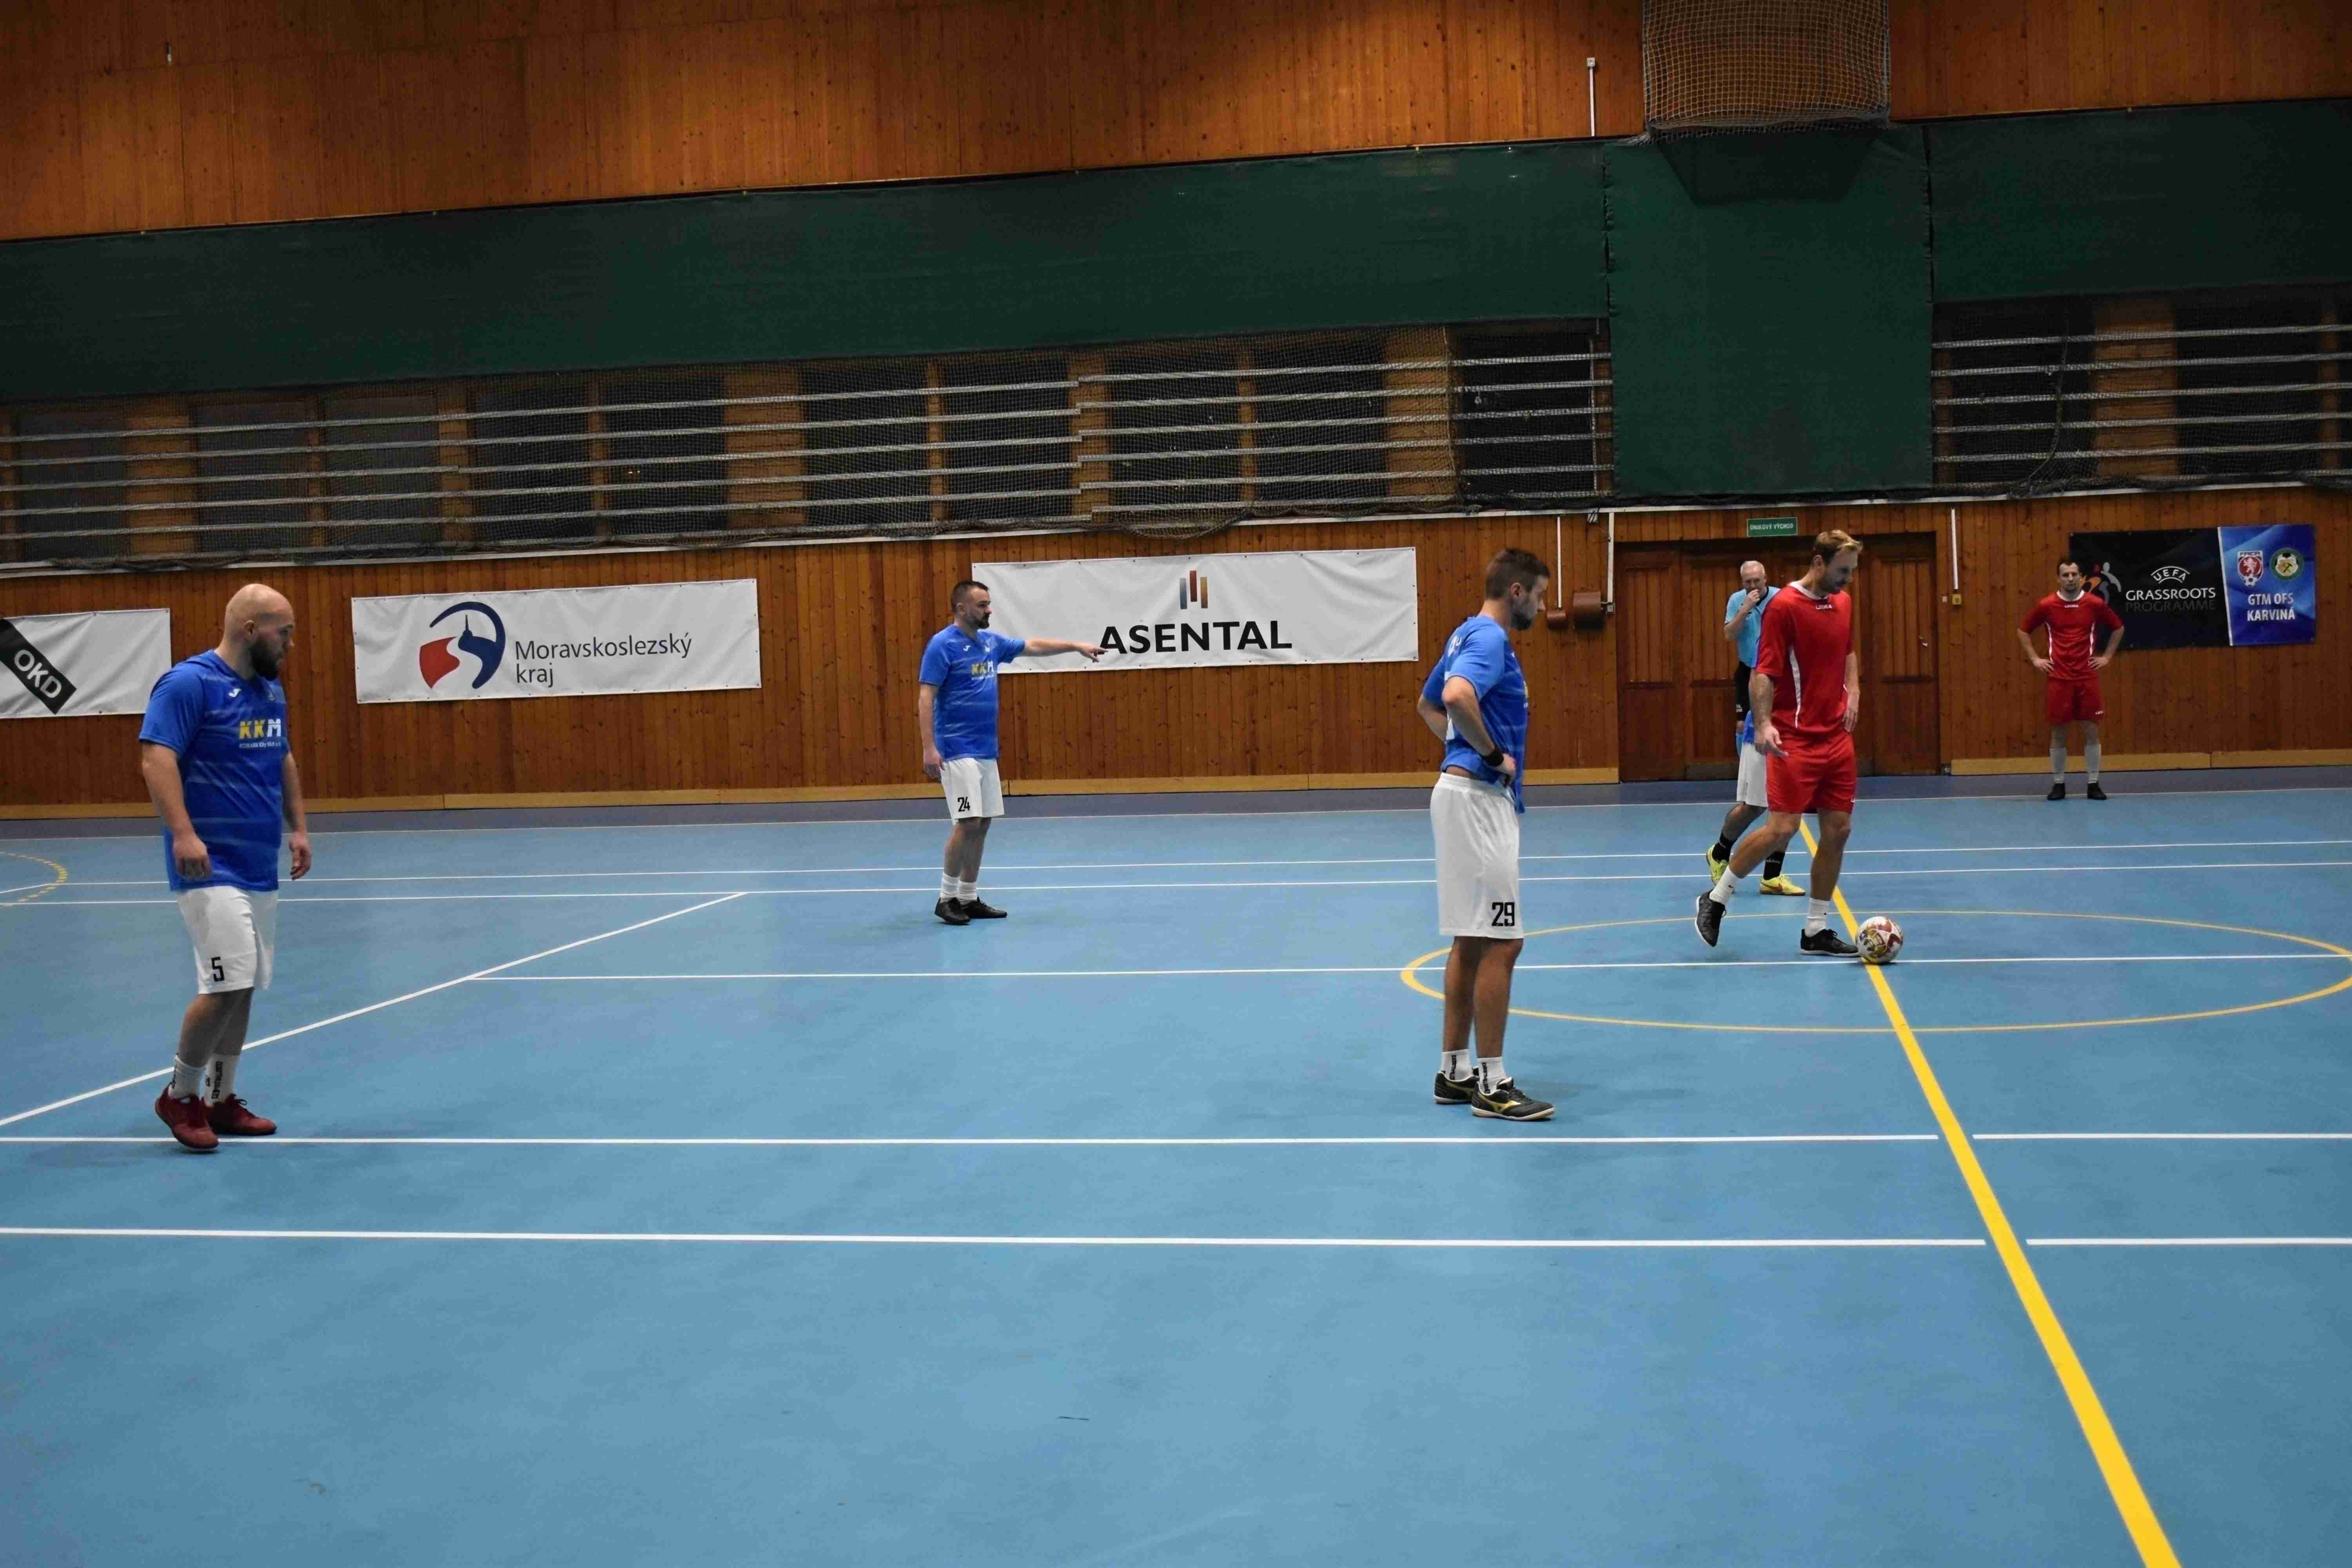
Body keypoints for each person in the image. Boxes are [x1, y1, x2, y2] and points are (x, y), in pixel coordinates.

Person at [138, 584, 311, 1152]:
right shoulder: (189, 683)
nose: (290, 644)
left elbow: (282, 756)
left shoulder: (269, 688)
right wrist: (183, 834)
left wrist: (299, 827)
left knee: (244, 985)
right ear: (250, 629)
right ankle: (180, 1094)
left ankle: (220, 1098)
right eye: (284, 632)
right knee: (226, 982)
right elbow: (156, 757)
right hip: (208, 865)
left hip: (258, 861)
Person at [1415, 547, 1554, 1121]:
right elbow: (1452, 698)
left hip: (1460, 794)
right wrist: (1491, 756)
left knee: (1471, 940)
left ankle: (1455, 1072)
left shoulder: (1464, 634)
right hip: (1477, 799)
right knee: (1504, 941)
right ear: (1516, 591)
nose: (1542, 607)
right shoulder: (1491, 639)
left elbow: (1428, 705)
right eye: (1539, 595)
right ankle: (1493, 1084)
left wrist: (1460, 750)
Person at [1695, 531, 1864, 956]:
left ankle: (1815, 930)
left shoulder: (1843, 602)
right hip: (1795, 738)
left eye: (1851, 571)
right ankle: (1716, 899)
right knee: (1782, 828)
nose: (1847, 579)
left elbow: (1848, 651)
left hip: (1837, 738)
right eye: (1842, 571)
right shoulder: (1785, 607)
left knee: (1839, 830)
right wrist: (1766, 723)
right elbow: (1763, 672)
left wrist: (1855, 692)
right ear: (1819, 563)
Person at [917, 579, 1102, 924]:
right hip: (956, 748)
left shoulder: (991, 643)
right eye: (982, 605)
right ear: (961, 609)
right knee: (968, 821)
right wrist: (929, 748)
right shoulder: (942, 645)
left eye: (989, 604)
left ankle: (968, 897)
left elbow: (1033, 646)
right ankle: (946, 898)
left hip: (986, 749)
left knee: (983, 823)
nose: (989, 610)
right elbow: (926, 696)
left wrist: (1075, 645)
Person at [1705, 559, 1801, 895]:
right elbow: (1733, 643)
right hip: (1758, 712)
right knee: (1756, 806)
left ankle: (1772, 876)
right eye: (1747, 582)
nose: (1753, 586)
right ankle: (1720, 853)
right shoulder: (1760, 656)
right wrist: (1759, 724)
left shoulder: (1788, 619)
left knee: (1789, 806)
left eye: (1757, 581)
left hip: (1785, 721)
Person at [2018, 557, 2125, 801]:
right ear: (2058, 578)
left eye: (2074, 574)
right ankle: (2059, 785)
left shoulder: (2094, 603)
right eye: (2065, 575)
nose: (2070, 579)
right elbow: (2023, 631)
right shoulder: (2047, 605)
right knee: (2058, 733)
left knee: (2091, 731)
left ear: (2081, 577)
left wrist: (2107, 657)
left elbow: (2118, 628)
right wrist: (2035, 659)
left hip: (2087, 677)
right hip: (2059, 678)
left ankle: (2093, 784)